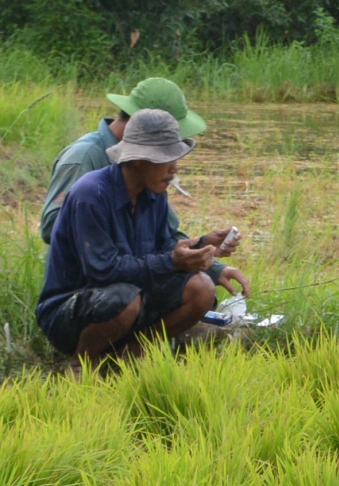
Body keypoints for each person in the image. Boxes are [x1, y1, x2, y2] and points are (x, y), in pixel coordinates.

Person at [36, 109, 252, 369]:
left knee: (201, 288)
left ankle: (131, 353)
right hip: (71, 311)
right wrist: (173, 262)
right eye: (165, 159)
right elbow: (104, 271)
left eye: (175, 158)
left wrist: (202, 244)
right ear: (138, 160)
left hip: (129, 297)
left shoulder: (154, 193)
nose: (174, 168)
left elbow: (163, 249)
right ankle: (82, 364)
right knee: (125, 298)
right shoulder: (91, 193)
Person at [38, 78, 218, 248]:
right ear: (138, 125)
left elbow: (168, 234)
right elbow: (51, 227)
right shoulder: (84, 157)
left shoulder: (150, 166)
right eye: (166, 140)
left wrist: (203, 253)